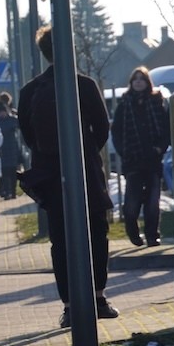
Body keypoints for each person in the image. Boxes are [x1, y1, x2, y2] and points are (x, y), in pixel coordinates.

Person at [18, 25, 119, 328]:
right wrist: (83, 153)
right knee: (95, 232)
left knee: (60, 240)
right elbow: (102, 128)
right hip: (86, 170)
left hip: (49, 173)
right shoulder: (84, 85)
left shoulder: (30, 91)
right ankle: (98, 297)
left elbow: (27, 134)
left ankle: (70, 306)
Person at [111, 66, 169, 246]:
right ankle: (134, 234)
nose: (138, 82)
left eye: (141, 79)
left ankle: (152, 235)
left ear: (147, 82)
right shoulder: (124, 105)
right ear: (131, 83)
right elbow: (117, 132)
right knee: (131, 204)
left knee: (152, 202)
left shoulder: (157, 103)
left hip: (152, 160)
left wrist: (159, 148)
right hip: (133, 161)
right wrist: (124, 153)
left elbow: (166, 130)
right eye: (135, 79)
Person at [0, 103, 21, 200]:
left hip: (12, 148)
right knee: (4, 173)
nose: (2, 114)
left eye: (4, 112)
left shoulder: (12, 119)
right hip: (2, 150)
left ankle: (13, 192)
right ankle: (6, 191)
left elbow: (20, 124)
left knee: (13, 172)